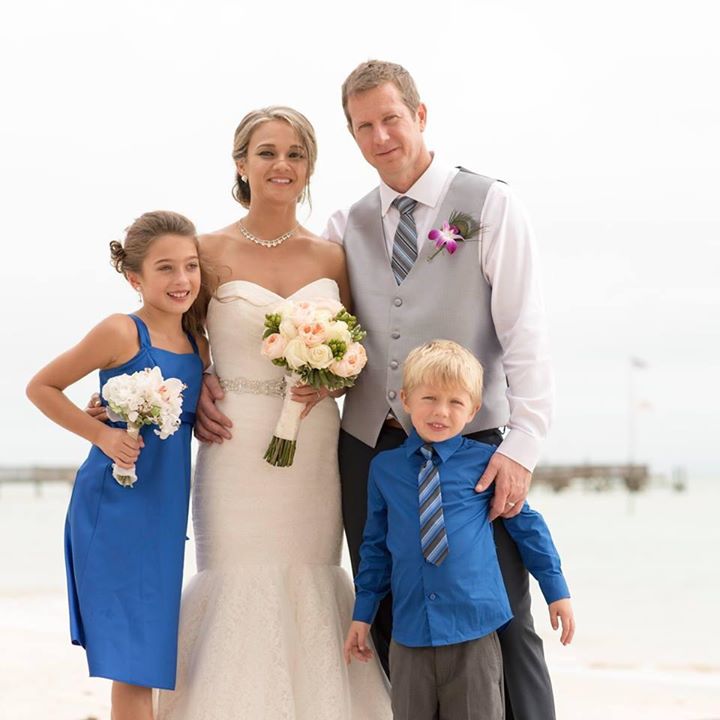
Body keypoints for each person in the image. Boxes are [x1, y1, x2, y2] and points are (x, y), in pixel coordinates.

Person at [323, 60, 559, 719]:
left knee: (504, 615)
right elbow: (310, 319)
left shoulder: (489, 204)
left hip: (476, 447)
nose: (380, 136)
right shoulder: (347, 225)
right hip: (371, 447)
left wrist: (524, 443)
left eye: (391, 119)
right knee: (397, 619)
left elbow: (525, 333)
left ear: (420, 116)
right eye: (363, 126)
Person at [157, 107, 390, 719]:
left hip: (313, 446)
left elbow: (365, 351)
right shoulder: (204, 252)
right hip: (233, 445)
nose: (281, 165)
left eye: (295, 153)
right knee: (235, 580)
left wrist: (335, 376)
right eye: (266, 152)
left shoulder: (334, 257)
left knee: (313, 578)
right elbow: (174, 335)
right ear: (241, 163)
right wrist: (200, 377)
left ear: (309, 166)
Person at [26, 211, 209, 720]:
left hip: (166, 514)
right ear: (135, 278)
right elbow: (41, 386)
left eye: (191, 266)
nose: (182, 280)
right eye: (166, 268)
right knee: (135, 661)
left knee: (147, 657)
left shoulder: (199, 343)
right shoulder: (120, 331)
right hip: (115, 507)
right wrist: (102, 434)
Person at [343, 340, 574, 720]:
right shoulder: (384, 469)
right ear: (405, 398)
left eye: (455, 402)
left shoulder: (488, 462)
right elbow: (375, 550)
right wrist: (363, 613)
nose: (440, 412)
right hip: (410, 635)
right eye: (429, 398)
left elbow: (528, 527)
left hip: (475, 633)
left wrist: (556, 590)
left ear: (474, 410)